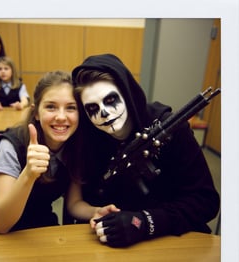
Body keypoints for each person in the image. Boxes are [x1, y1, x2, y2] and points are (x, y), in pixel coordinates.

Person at [66, 53, 220, 248]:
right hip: (109, 246)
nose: (104, 112)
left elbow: (205, 202)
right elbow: (79, 203)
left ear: (127, 93)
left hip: (171, 244)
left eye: (111, 100)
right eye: (92, 108)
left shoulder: (172, 129)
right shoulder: (89, 139)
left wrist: (145, 223)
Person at [0, 70, 83, 241]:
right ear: (35, 113)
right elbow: (1, 224)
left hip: (36, 221)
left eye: (71, 108)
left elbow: (73, 204)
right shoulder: (10, 147)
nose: (61, 117)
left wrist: (96, 211)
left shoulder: (74, 147)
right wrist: (28, 174)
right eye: (51, 107)